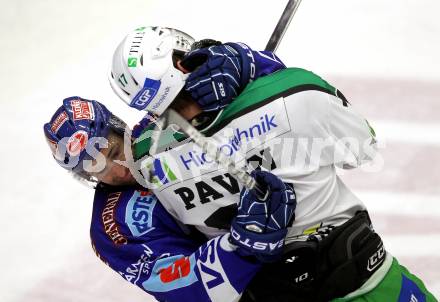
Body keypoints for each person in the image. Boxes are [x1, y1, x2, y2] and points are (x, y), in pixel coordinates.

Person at [108, 26, 437, 301]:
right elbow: (364, 146)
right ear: (182, 62)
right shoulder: (294, 92)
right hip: (368, 284)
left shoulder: (147, 160)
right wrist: (259, 67)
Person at [43, 96, 296, 302]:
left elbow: (260, 92)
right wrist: (244, 243)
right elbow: (186, 289)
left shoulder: (169, 120)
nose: (118, 170)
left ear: (118, 127)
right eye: (99, 169)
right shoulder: (112, 227)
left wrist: (242, 63)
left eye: (114, 152)